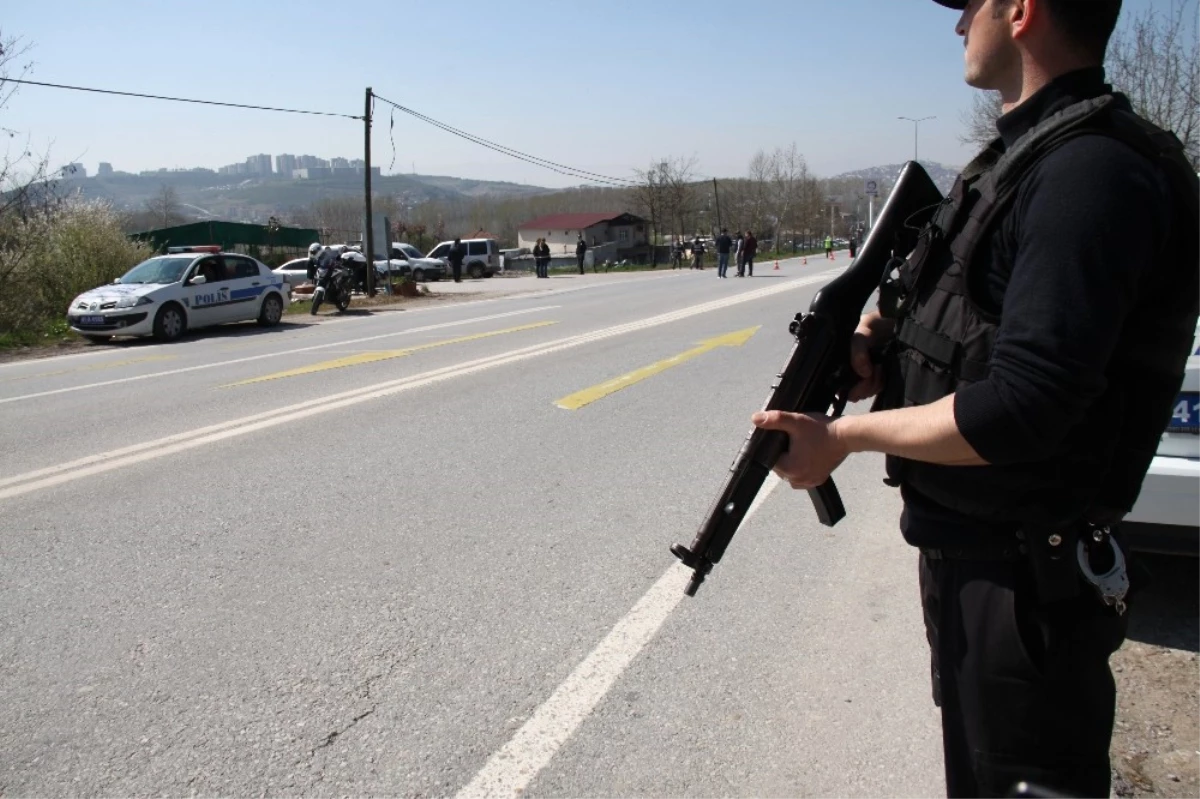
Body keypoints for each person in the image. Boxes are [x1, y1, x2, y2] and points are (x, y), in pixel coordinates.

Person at [751, 1, 1200, 797]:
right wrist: (872, 349)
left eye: (970, 7)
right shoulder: (1022, 161)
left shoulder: (1089, 173)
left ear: (1021, 11)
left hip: (1027, 587)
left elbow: (1026, 403)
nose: (958, 26)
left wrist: (845, 440)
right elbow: (963, 318)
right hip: (980, 565)